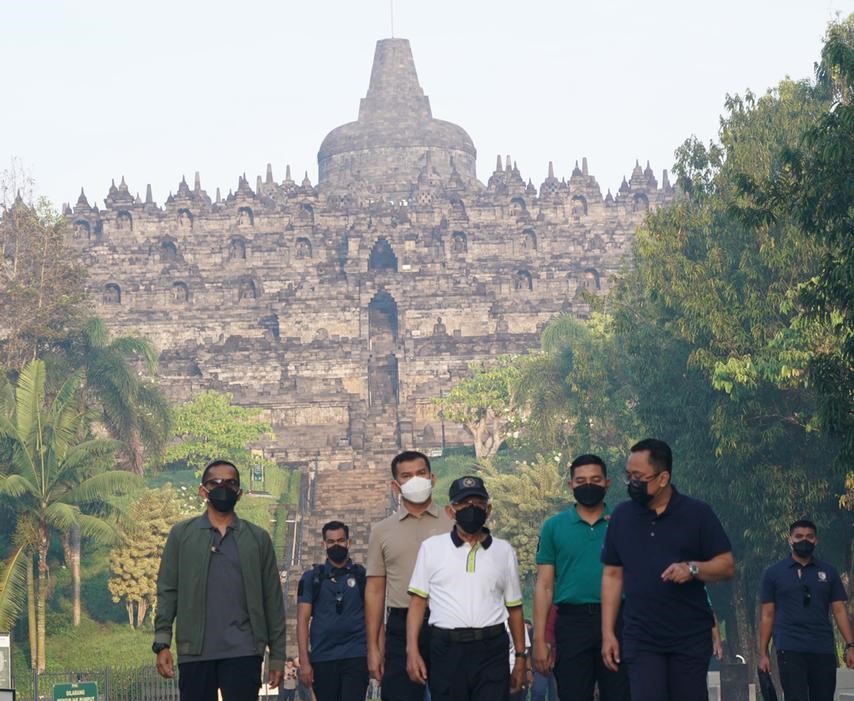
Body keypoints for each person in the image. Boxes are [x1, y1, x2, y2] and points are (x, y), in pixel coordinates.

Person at [601, 438, 735, 701]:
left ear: (663, 478)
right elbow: (612, 575)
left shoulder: (697, 513)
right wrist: (607, 633)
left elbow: (727, 565)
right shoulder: (622, 516)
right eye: (628, 476)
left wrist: (693, 568)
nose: (631, 483)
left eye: (638, 477)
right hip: (641, 635)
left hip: (689, 636)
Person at [153, 459, 286, 701]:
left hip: (244, 651)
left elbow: (273, 601)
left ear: (239, 492)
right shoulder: (182, 536)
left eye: (230, 483)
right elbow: (167, 591)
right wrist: (162, 643)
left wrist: (277, 655)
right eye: (215, 483)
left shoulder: (257, 539)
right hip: (195, 652)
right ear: (203, 490)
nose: (223, 488)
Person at [405, 475, 527, 701]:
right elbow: (418, 603)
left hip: (492, 649)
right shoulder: (431, 548)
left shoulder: (504, 551)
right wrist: (412, 650)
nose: (472, 509)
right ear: (451, 511)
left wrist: (521, 657)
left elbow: (515, 608)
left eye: (478, 503)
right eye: (464, 503)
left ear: (488, 509)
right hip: (447, 649)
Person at [533, 453, 630, 701]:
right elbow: (544, 585)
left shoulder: (623, 522)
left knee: (620, 694)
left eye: (595, 480)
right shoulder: (553, 526)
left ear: (607, 483)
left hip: (619, 620)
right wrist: (540, 638)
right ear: (571, 485)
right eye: (581, 481)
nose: (588, 485)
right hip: (572, 623)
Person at [365, 450, 454, 701]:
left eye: (421, 473)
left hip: (449, 623)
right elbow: (375, 590)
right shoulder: (381, 531)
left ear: (432, 478)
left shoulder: (453, 523)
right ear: (395, 486)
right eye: (406, 476)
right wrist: (373, 647)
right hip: (400, 626)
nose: (415, 480)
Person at [758, 518, 854, 701]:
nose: (804, 540)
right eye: (799, 536)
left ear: (816, 540)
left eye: (809, 536)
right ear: (790, 540)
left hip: (822, 647)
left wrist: (850, 645)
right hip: (789, 647)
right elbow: (767, 615)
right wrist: (763, 654)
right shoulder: (774, 573)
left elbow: (839, 611)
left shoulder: (829, 572)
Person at [297, 520, 369, 701]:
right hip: (323, 656)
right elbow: (302, 620)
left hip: (355, 654)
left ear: (349, 542)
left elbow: (373, 617)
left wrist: (377, 652)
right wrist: (304, 661)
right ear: (324, 545)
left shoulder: (361, 576)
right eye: (331, 542)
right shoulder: (311, 578)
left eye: (340, 540)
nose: (336, 545)